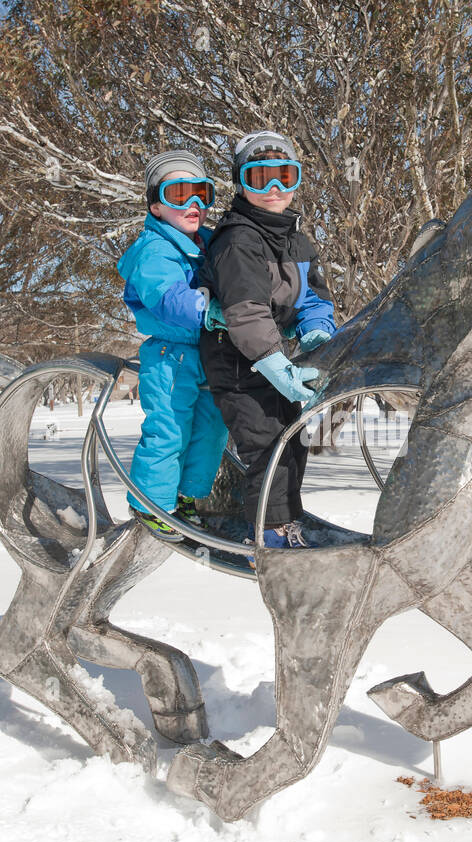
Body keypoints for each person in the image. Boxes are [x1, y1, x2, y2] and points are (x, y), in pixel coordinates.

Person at [199, 130, 336, 550]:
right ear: (241, 182)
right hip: (237, 361)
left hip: (275, 356)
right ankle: (267, 538)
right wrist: (273, 362)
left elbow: (314, 297)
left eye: (285, 177)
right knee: (266, 446)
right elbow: (245, 311)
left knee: (292, 440)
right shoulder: (238, 239)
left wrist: (316, 333)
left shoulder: (295, 239)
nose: (275, 189)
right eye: (261, 179)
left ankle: (286, 521)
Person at [117, 149, 229, 540]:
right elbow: (168, 297)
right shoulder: (154, 249)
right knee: (170, 429)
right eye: (179, 194)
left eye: (202, 193)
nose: (194, 204)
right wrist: (210, 310)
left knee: (212, 429)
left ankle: (186, 495)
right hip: (170, 355)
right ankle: (150, 500)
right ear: (156, 205)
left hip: (210, 355)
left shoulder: (211, 243)